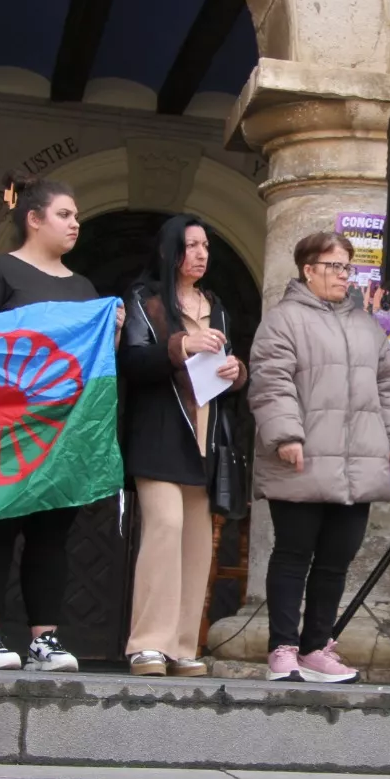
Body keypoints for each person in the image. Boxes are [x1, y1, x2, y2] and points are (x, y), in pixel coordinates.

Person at [0, 176, 120, 672]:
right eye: (65, 214)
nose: (76, 223)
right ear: (34, 218)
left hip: (63, 428)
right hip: (6, 422)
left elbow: (93, 365)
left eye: (76, 216)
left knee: (53, 532)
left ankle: (44, 640)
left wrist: (108, 335)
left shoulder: (84, 287)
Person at [248, 231, 390, 684]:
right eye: (336, 267)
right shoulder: (282, 321)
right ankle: (283, 647)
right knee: (293, 553)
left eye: (349, 268)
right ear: (309, 270)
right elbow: (271, 381)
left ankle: (316, 647)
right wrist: (285, 434)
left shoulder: (366, 326)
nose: (346, 276)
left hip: (357, 462)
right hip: (300, 459)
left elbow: (388, 391)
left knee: (337, 558)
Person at [121, 213, 246, 677]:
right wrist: (182, 346)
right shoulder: (145, 300)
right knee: (166, 527)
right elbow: (132, 361)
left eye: (206, 247)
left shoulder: (217, 305)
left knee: (198, 542)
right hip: (157, 432)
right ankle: (146, 643)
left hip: (204, 435)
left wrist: (236, 373)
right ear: (172, 251)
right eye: (192, 246)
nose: (201, 255)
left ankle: (181, 644)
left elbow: (224, 369)